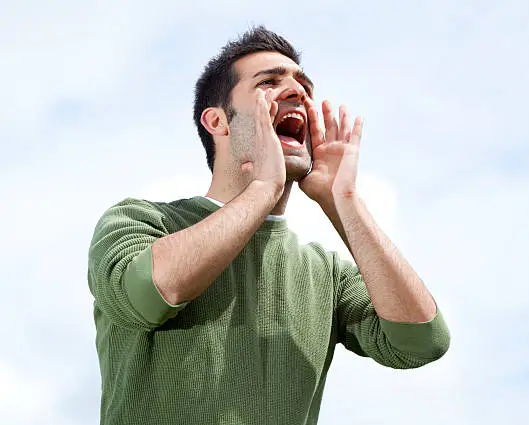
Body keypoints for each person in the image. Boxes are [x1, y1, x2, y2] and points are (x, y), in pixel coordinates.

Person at [88, 26, 450, 425]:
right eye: (270, 82)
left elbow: (422, 342)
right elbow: (150, 293)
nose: (298, 93)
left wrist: (343, 201)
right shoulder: (140, 221)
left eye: (304, 87)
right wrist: (263, 188)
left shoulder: (326, 275)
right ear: (218, 122)